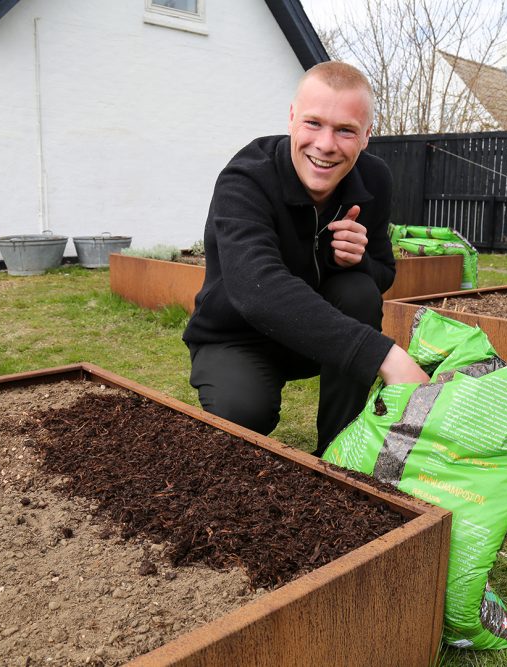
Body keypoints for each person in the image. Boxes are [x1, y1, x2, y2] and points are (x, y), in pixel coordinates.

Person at [182, 61, 428, 456]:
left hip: (316, 337)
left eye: (345, 130)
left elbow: (383, 273)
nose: (326, 145)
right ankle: (244, 394)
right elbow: (256, 290)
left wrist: (358, 260)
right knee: (242, 416)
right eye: (314, 123)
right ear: (292, 118)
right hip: (237, 337)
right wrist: (382, 355)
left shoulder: (374, 178)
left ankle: (337, 452)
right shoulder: (246, 179)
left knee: (359, 289)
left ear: (367, 135)